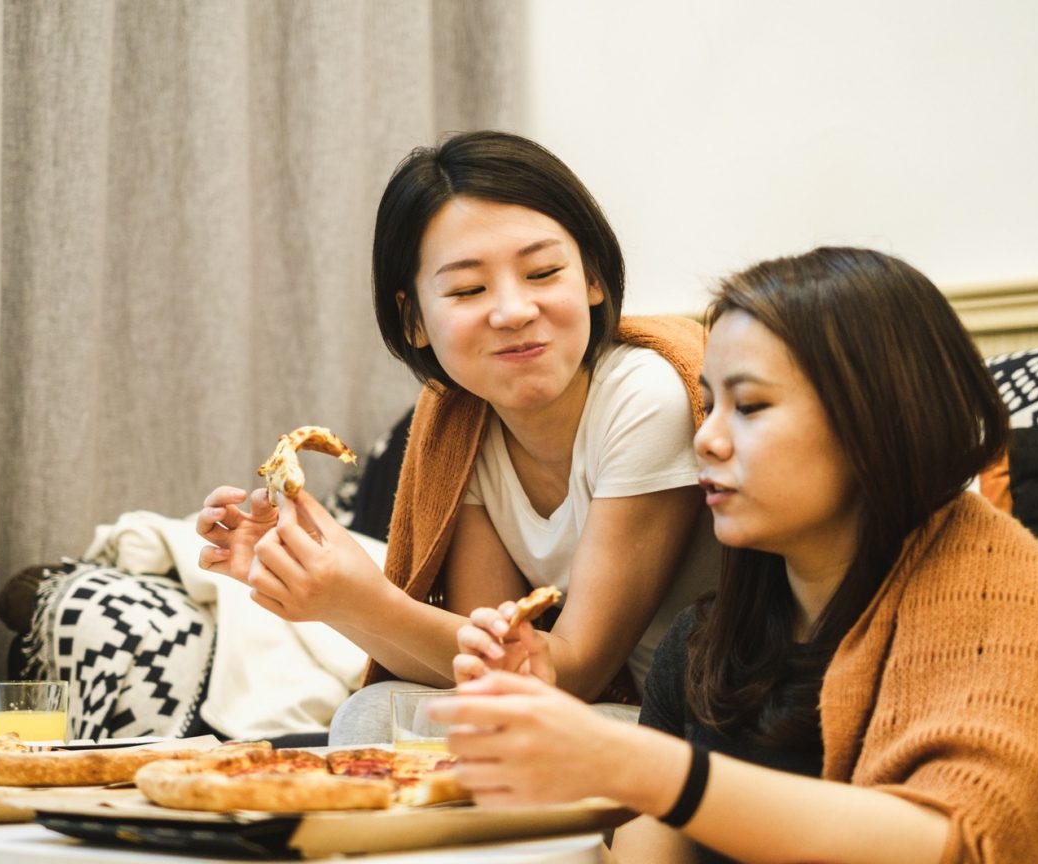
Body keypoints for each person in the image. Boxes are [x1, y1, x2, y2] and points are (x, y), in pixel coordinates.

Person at [431, 247, 1038, 863]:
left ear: (877, 422)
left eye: (750, 406)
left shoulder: (1027, 601)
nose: (707, 438)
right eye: (709, 402)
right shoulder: (704, 646)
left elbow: (962, 843)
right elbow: (646, 850)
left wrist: (634, 764)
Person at [195, 130, 720, 743]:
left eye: (544, 271)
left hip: (702, 722)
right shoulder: (460, 425)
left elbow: (574, 668)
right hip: (595, 715)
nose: (513, 310)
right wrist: (325, 592)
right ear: (414, 319)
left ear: (593, 280)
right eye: (469, 289)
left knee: (415, 729)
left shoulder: (645, 396)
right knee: (377, 712)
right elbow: (485, 664)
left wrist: (361, 598)